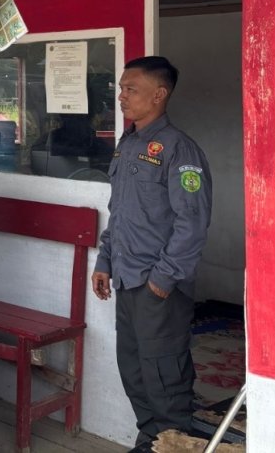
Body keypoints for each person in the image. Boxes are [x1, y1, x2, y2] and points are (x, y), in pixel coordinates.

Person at [91, 56, 212, 446]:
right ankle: (152, 440)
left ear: (159, 95)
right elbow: (120, 211)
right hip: (126, 278)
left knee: (164, 374)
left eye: (131, 89)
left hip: (158, 285)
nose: (122, 97)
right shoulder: (128, 144)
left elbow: (191, 223)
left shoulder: (179, 150)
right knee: (133, 367)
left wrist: (162, 280)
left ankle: (175, 442)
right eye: (121, 89)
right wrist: (105, 260)